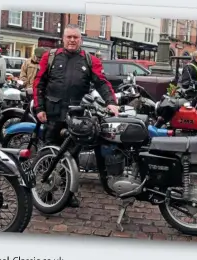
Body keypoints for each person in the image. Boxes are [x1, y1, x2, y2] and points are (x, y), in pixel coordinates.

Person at [33, 24, 118, 207]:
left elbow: (102, 83)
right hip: (53, 115)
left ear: (81, 39)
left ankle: (68, 194)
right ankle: (44, 193)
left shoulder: (89, 60)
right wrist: (39, 108)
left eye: (76, 37)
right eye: (69, 37)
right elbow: (39, 83)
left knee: (72, 156)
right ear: (63, 38)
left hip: (77, 117)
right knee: (49, 153)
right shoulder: (51, 57)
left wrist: (111, 102)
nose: (72, 40)